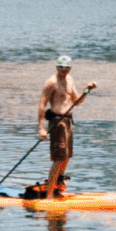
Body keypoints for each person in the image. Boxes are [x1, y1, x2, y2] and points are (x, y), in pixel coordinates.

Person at [36, 56, 96, 199]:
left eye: (67, 67)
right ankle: (49, 196)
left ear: (70, 68)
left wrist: (87, 90)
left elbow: (77, 102)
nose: (64, 70)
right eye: (61, 67)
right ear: (56, 67)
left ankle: (57, 186)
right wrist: (41, 128)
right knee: (58, 159)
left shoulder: (69, 80)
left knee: (66, 157)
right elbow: (42, 105)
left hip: (68, 122)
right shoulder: (51, 83)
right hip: (57, 122)